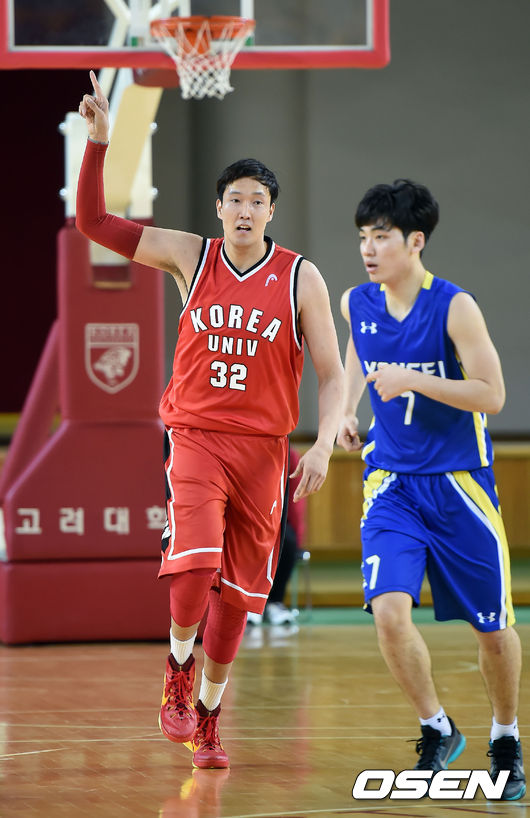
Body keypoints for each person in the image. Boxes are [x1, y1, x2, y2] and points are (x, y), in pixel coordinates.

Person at [76, 71, 343, 770]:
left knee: (237, 604)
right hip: (195, 437)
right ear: (218, 207)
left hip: (265, 451)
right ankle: (176, 669)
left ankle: (210, 717)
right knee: (195, 564)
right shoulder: (189, 254)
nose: (246, 210)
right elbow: (93, 225)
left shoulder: (300, 277)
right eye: (236, 199)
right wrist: (99, 144)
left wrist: (322, 446)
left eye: (258, 201)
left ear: (271, 211)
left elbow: (333, 373)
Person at [336, 179, 525, 800]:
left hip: (459, 485)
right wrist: (345, 409)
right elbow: (359, 354)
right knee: (389, 613)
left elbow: (492, 395)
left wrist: (414, 379)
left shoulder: (454, 307)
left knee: (492, 629)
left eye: (381, 237)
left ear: (415, 241)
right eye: (363, 237)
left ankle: (505, 737)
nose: (368, 249)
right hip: (391, 484)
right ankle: (436, 727)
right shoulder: (356, 303)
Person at [247, 445, 307, 626]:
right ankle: (248, 602)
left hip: (277, 521)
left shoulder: (290, 455)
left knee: (288, 540)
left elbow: (296, 501)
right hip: (247, 520)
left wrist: (297, 539)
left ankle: (275, 602)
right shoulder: (245, 450)